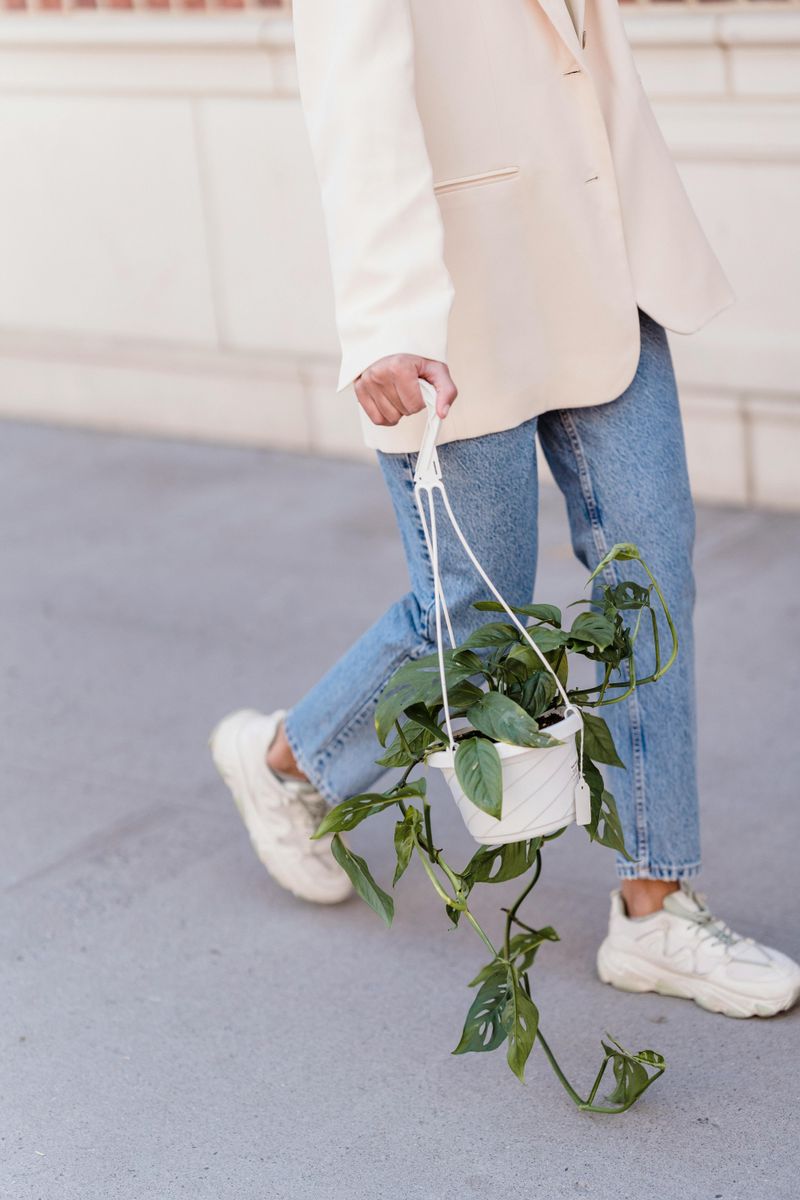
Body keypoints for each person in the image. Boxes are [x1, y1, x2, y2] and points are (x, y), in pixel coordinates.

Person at [210, 0, 800, 1019]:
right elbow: (357, 102)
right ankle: (286, 759)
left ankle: (656, 905)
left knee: (648, 578)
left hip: (596, 256)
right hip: (454, 299)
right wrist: (386, 323)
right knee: (475, 624)